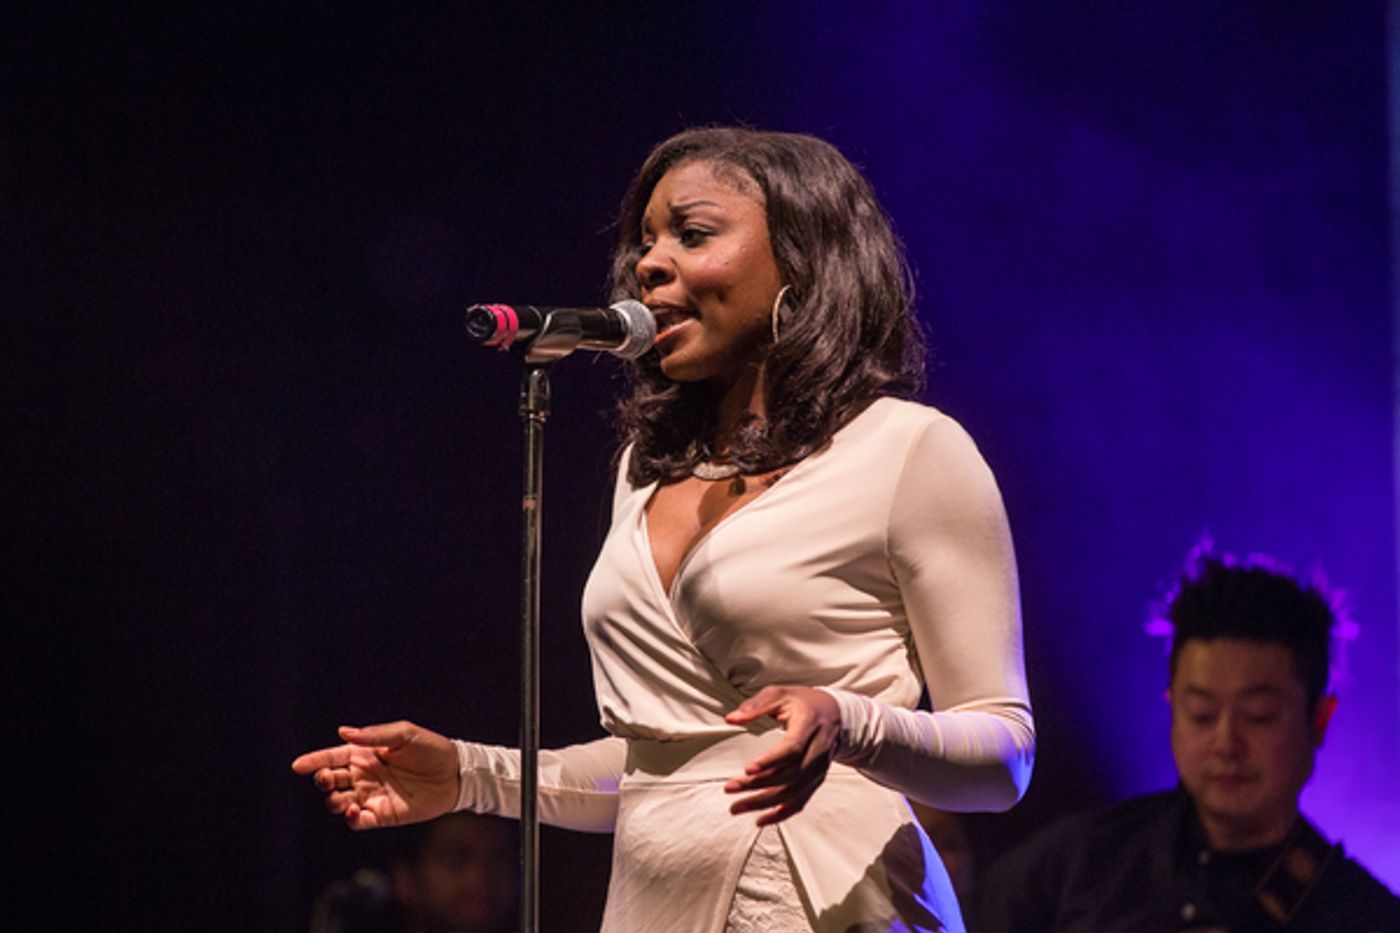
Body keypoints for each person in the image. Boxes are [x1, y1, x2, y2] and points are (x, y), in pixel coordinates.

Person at [293, 126, 1035, 933]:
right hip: (654, 902)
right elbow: (664, 768)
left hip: (837, 900)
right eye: (644, 242)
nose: (649, 264)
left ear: (801, 256)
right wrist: (472, 776)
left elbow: (1004, 755)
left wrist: (849, 720)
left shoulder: (908, 450)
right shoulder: (644, 468)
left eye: (693, 232)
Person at [971, 544, 1400, 932]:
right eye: (1202, 714)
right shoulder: (1071, 868)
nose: (1226, 743)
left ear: (1319, 720)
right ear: (1172, 705)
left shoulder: (1364, 917)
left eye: (1259, 716)